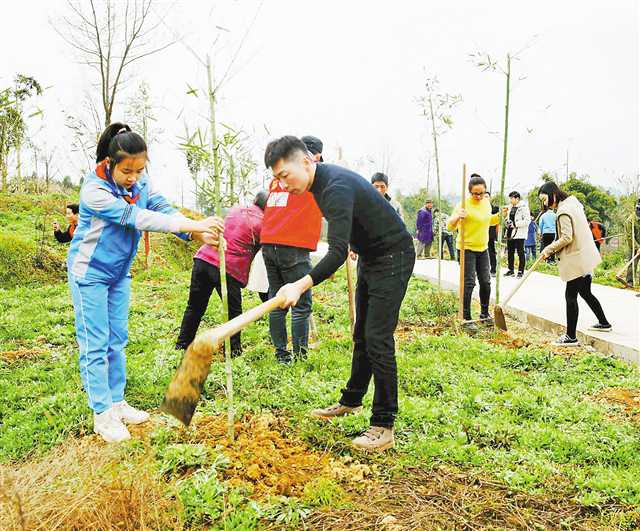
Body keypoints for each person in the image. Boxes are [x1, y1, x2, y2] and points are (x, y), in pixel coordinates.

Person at [67, 123, 222, 443]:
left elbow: (158, 207)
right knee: (95, 342)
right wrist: (190, 223)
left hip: (118, 273)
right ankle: (102, 413)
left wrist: (194, 231)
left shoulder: (140, 181)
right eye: (127, 171)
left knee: (117, 339)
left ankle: (117, 401)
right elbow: (135, 217)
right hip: (90, 274)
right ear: (110, 164)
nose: (134, 177)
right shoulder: (94, 191)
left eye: (140, 170)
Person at [264, 136, 414, 451]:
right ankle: (352, 401)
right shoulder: (319, 184)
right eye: (276, 178)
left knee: (378, 338)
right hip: (373, 257)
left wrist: (299, 284)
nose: (282, 184)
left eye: (284, 175)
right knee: (362, 333)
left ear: (306, 162)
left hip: (394, 255)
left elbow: (336, 253)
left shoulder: (334, 188)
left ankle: (384, 425)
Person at [175, 191, 268, 355]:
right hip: (227, 268)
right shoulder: (263, 224)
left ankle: (182, 344)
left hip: (203, 259)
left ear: (255, 200)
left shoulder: (237, 209)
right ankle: (233, 350)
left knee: (195, 306)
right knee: (234, 313)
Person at [261, 135, 323, 364]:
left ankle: (281, 355)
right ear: (313, 157)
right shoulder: (308, 180)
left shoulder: (276, 182)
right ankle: (299, 357)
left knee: (277, 300)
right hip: (293, 247)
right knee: (300, 303)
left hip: (269, 244)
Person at [538, 181, 612, 346]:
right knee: (585, 291)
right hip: (586, 254)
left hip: (576, 258)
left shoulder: (563, 212)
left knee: (570, 296)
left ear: (553, 195)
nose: (544, 203)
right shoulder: (573, 202)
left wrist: (548, 249)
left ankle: (570, 337)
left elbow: (566, 237)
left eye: (545, 199)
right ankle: (604, 323)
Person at [448, 174, 500, 331]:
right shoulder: (463, 204)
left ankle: (484, 313)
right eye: (475, 193)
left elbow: (487, 221)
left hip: (482, 248)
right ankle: (466, 317)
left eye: (481, 193)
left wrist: (500, 216)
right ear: (469, 192)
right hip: (466, 248)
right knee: (469, 282)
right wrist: (457, 217)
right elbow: (450, 226)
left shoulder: (486, 203)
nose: (478, 196)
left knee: (485, 281)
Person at [504, 191, 530, 278]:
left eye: (512, 198)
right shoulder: (510, 207)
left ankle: (520, 271)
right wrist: (507, 224)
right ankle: (511, 270)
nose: (510, 200)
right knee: (510, 252)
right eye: (510, 198)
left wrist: (515, 224)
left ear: (517, 198)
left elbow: (527, 221)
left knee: (520, 252)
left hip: (519, 233)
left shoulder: (524, 207)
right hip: (510, 232)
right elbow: (508, 219)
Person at [485, 192, 499, 276]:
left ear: (490, 198)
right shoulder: (479, 208)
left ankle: (493, 269)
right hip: (481, 233)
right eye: (484, 196)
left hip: (490, 234)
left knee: (491, 251)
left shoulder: (494, 208)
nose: (485, 198)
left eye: (487, 196)